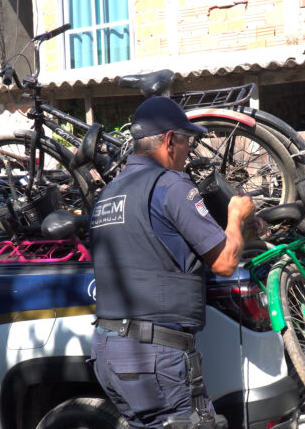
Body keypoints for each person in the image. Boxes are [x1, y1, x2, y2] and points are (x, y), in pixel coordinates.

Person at [89, 96, 256, 429]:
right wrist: (236, 217)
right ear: (169, 141)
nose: (187, 153)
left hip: (107, 351)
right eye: (186, 142)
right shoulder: (170, 185)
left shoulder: (107, 195)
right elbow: (224, 262)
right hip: (153, 356)